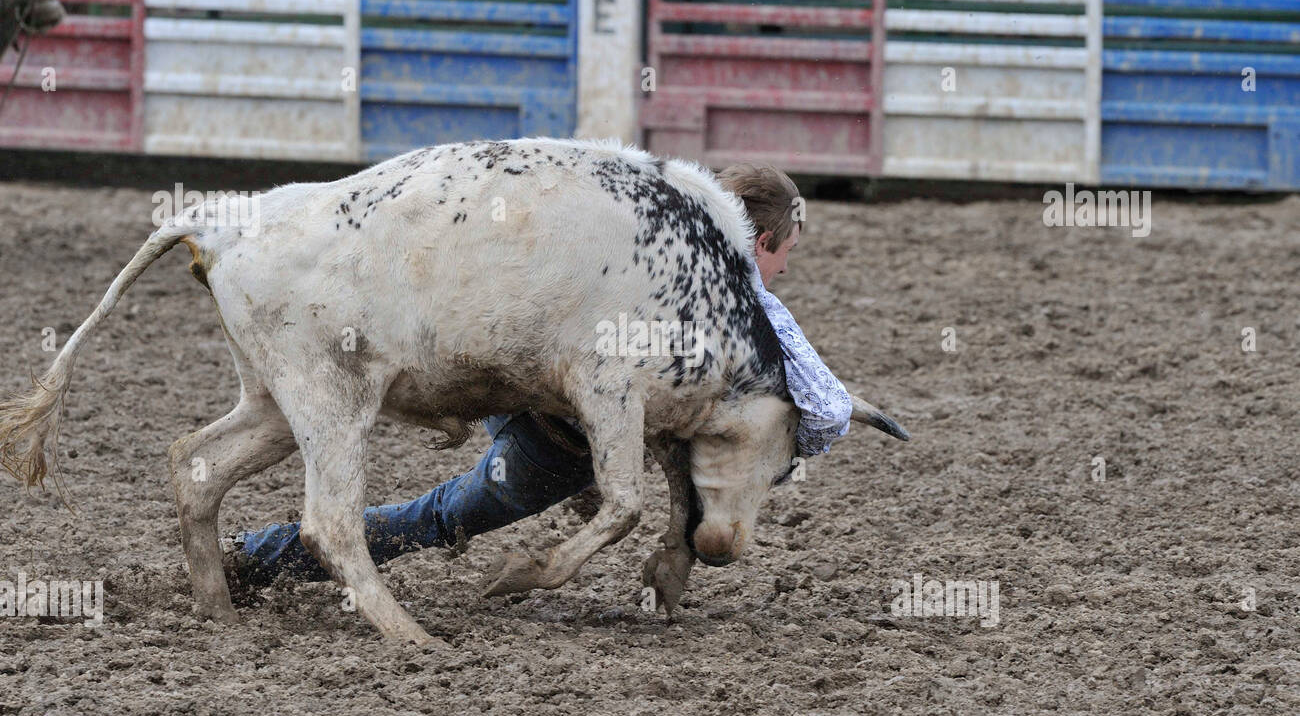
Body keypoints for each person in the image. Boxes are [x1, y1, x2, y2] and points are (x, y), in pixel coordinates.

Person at [228, 164, 853, 583]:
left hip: (505, 374)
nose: (786, 271)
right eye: (787, 254)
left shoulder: (645, 239)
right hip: (559, 441)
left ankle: (250, 553)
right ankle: (255, 559)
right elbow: (830, 411)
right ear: (761, 241)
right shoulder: (751, 307)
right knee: (443, 516)